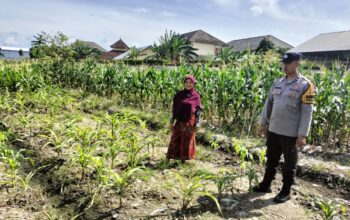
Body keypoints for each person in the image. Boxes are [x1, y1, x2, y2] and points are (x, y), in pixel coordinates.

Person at [253, 53, 315, 203]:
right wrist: (263, 124)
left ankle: (285, 191)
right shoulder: (278, 82)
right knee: (271, 160)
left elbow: (307, 112)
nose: (284, 66)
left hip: (290, 133)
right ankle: (266, 184)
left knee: (289, 165)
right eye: (283, 63)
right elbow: (268, 104)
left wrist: (302, 134)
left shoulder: (306, 85)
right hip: (274, 129)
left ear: (297, 64)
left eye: (288, 63)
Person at [166, 75, 202, 163]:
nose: (188, 84)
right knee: (175, 139)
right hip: (179, 122)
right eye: (186, 82)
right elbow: (174, 109)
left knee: (187, 141)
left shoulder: (196, 96)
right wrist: (171, 122)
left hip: (190, 122)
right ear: (184, 84)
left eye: (190, 83)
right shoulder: (179, 95)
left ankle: (183, 160)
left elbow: (198, 111)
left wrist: (197, 123)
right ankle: (169, 157)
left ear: (193, 84)